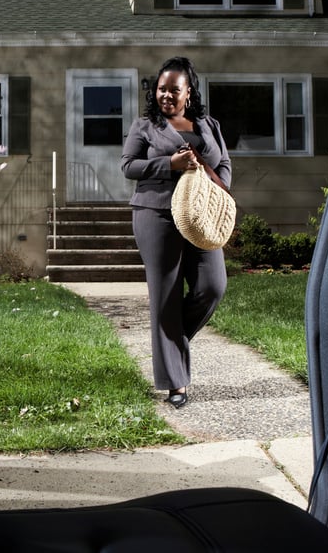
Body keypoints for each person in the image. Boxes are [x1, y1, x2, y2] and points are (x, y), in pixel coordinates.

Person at [121, 56, 231, 410]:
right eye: (161, 89)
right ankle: (175, 383)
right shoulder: (144, 126)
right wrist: (170, 164)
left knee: (213, 286)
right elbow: (129, 166)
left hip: (201, 216)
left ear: (189, 92)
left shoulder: (207, 124)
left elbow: (224, 163)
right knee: (166, 296)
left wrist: (215, 189)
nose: (166, 95)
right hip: (156, 215)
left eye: (174, 90)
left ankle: (173, 342)